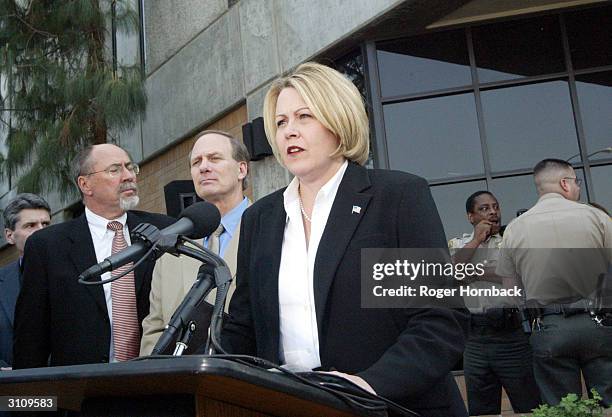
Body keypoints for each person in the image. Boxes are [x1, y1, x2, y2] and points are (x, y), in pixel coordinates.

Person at [221, 62, 469, 417]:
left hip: (392, 405)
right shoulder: (261, 218)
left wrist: (368, 386)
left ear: (339, 121)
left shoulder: (396, 197)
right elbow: (244, 329)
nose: (290, 131)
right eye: (281, 122)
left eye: (304, 116)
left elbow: (438, 322)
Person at [13, 144, 173, 369]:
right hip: (80, 392)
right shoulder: (47, 247)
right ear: (85, 184)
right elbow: (31, 338)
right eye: (114, 170)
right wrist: (31, 402)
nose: (128, 176)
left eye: (130, 167)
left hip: (159, 381)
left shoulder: (165, 230)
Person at [496, 158, 612, 406]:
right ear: (565, 183)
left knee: (561, 408)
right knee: (609, 403)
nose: (578, 188)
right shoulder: (595, 217)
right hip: (599, 323)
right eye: (576, 182)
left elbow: (511, 294)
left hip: (549, 328)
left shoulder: (515, 229)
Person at [140, 130, 250, 355]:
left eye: (215, 158)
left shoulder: (273, 230)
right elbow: (154, 330)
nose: (204, 167)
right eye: (196, 162)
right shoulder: (172, 248)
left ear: (242, 169)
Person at [449, 191, 539, 415]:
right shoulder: (460, 243)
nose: (493, 212)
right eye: (484, 208)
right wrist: (476, 241)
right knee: (481, 410)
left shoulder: (512, 241)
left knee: (529, 405)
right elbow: (450, 274)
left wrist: (474, 272)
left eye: (496, 207)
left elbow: (517, 276)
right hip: (475, 339)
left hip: (510, 335)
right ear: (471, 217)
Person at [0, 194, 51, 369]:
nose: (41, 231)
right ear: (9, 236)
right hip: (12, 390)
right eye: (30, 225)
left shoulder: (80, 275)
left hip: (69, 387)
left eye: (45, 224)